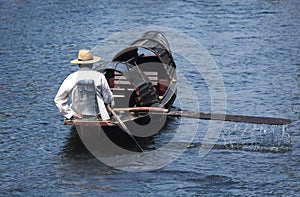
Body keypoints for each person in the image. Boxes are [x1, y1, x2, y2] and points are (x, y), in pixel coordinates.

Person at [54, 49, 114, 120]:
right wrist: (110, 111)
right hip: (99, 116)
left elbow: (58, 99)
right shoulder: (99, 76)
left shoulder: (71, 78)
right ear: (91, 64)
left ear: (79, 64)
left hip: (78, 116)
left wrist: (71, 114)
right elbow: (108, 98)